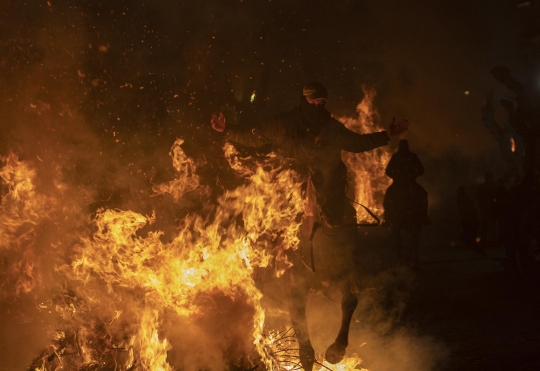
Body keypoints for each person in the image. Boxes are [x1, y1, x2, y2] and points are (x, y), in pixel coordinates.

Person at [383, 140, 429, 268]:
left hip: (410, 182)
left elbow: (421, 170)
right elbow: (388, 171)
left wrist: (412, 175)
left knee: (423, 194)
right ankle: (387, 217)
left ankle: (424, 215)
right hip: (399, 182)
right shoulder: (396, 157)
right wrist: (397, 176)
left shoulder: (412, 157)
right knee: (388, 196)